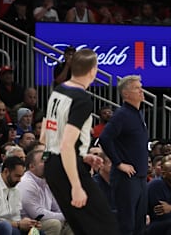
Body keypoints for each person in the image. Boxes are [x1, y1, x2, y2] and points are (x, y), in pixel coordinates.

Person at [41, 49, 119, 235]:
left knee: (84, 228)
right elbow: (66, 144)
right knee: (107, 227)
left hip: (52, 166)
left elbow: (45, 135)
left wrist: (82, 156)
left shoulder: (58, 91)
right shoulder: (82, 98)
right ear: (93, 71)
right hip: (68, 169)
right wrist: (76, 186)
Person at [99, 75, 149, 235]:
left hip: (140, 177)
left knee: (139, 225)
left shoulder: (138, 114)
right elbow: (105, 138)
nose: (141, 90)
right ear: (126, 93)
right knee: (127, 224)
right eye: (136, 88)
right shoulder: (122, 114)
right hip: (126, 179)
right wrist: (119, 163)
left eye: (141, 86)